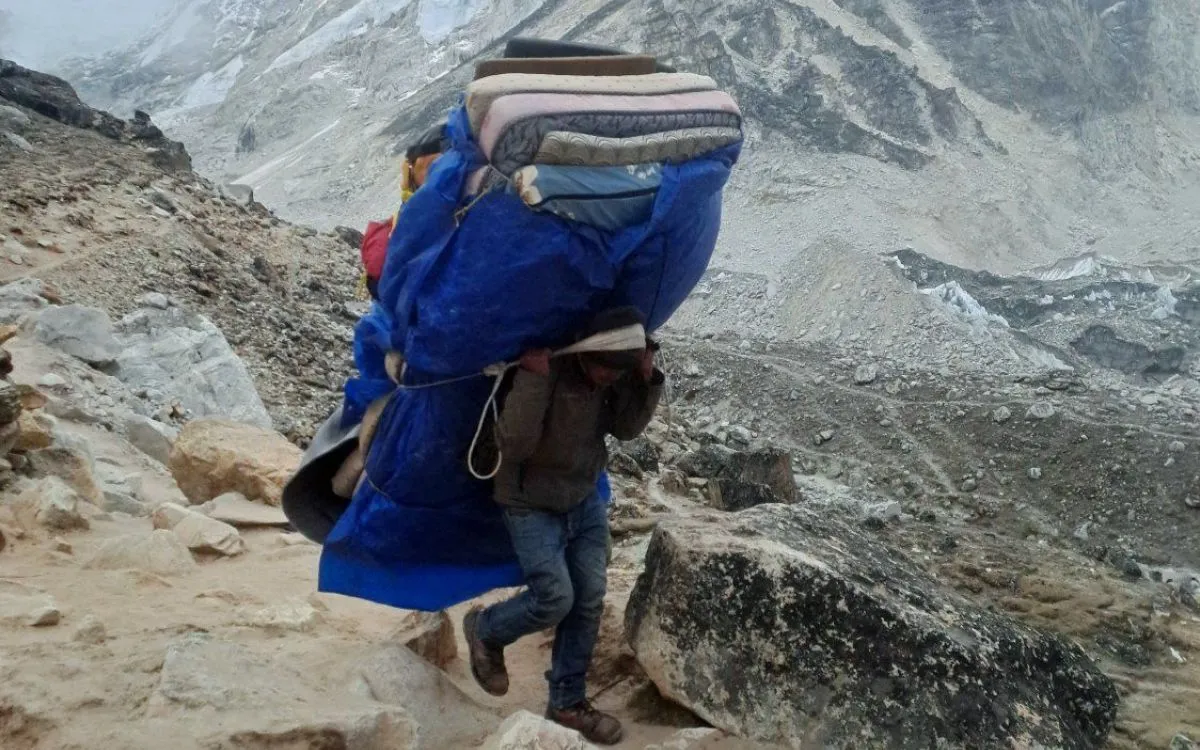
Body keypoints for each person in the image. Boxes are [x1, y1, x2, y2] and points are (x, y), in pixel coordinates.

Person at [463, 306, 664, 745]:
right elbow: (513, 444)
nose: (607, 379)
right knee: (555, 598)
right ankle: (486, 629)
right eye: (603, 370)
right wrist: (533, 378)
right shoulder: (544, 367)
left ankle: (567, 702)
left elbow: (626, 429)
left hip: (583, 497)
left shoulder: (612, 372)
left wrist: (646, 379)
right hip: (528, 501)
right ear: (586, 352)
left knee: (588, 597)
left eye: (616, 373)